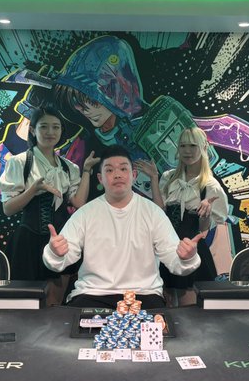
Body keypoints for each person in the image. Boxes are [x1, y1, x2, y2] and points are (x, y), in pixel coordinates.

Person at [43, 145, 203, 309]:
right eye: (109, 170)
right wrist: (55, 252)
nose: (117, 174)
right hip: (92, 293)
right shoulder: (85, 213)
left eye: (123, 169)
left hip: (144, 294)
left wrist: (187, 258)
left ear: (134, 175)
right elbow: (61, 259)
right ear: (100, 178)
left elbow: (174, 260)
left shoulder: (153, 213)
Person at [0, 105, 99, 306]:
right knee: (26, 304)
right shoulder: (19, 162)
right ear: (33, 130)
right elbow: (8, 209)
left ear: (61, 131)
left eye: (56, 127)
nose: (50, 132)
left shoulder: (69, 167)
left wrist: (87, 170)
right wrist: (33, 190)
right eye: (44, 127)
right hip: (28, 240)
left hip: (61, 238)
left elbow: (78, 202)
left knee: (55, 301)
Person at [136, 127, 227, 306]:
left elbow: (203, 230)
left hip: (191, 250)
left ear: (203, 147)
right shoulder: (169, 178)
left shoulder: (211, 186)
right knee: (166, 308)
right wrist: (154, 178)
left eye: (193, 146)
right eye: (183, 146)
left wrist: (205, 213)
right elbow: (160, 212)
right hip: (167, 249)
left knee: (190, 310)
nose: (187, 151)